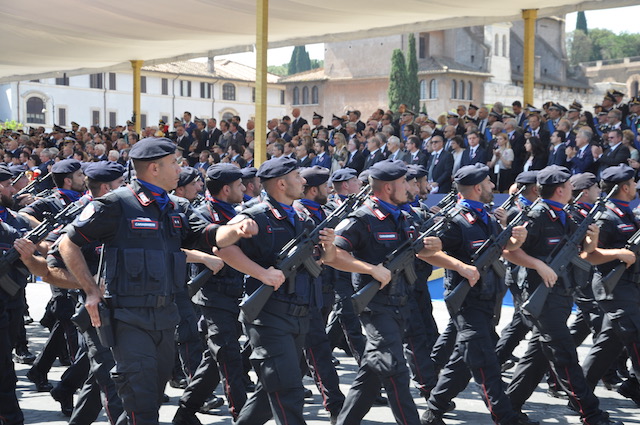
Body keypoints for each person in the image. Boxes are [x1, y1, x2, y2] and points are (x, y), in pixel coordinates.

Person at [58, 137, 258, 425]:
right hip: (128, 319)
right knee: (140, 403)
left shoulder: (176, 207)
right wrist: (90, 290)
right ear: (154, 168)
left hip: (166, 318)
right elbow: (68, 243)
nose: (179, 169)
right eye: (174, 163)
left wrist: (236, 229)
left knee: (149, 400)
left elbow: (210, 235)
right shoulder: (116, 204)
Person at [216, 156, 336, 425]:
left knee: (269, 393)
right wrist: (261, 273)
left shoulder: (302, 217)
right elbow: (222, 247)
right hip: (269, 317)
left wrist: (329, 246)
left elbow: (323, 260)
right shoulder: (255, 215)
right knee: (289, 391)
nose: (303, 181)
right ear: (281, 184)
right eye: (297, 176)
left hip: (300, 313)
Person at [325, 159, 443, 425]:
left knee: (372, 371)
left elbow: (419, 250)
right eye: (403, 182)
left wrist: (454, 262)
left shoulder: (404, 217)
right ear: (389, 187)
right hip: (376, 307)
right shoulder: (362, 218)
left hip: (401, 302)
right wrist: (370, 269)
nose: (408, 187)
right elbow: (333, 255)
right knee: (395, 369)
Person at [505, 165, 623, 425]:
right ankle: (591, 414)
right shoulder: (535, 216)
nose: (573, 189)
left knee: (537, 358)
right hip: (541, 295)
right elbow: (509, 250)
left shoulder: (564, 216)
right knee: (566, 356)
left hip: (561, 294)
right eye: (569, 185)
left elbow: (585, 253)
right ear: (560, 190)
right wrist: (539, 265)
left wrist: (592, 238)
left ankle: (508, 409)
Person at [420, 164, 531, 425]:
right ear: (478, 188)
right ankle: (505, 417)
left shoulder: (487, 217)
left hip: (487, 297)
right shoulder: (455, 220)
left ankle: (433, 410)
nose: (493, 186)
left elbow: (502, 247)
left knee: (463, 360)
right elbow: (425, 251)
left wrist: (517, 239)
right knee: (485, 362)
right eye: (489, 182)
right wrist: (460, 266)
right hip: (466, 301)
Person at [174, 164, 249, 424]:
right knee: (229, 356)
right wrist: (207, 257)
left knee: (215, 357)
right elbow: (179, 248)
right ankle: (242, 416)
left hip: (236, 291)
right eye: (239, 185)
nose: (244, 189)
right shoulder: (202, 215)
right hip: (213, 294)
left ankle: (185, 412)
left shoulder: (237, 213)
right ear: (226, 189)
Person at [581, 164, 640, 406]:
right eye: (633, 183)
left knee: (609, 343)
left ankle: (580, 394)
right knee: (636, 334)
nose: (636, 186)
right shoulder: (606, 216)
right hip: (614, 287)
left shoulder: (627, 213)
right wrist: (618, 253)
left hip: (630, 284)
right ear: (624, 187)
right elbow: (588, 255)